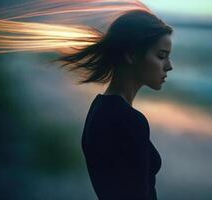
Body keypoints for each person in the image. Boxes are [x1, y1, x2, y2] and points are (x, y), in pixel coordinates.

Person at [64, 10, 173, 200]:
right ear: (131, 54)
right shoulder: (130, 121)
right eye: (161, 56)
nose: (169, 66)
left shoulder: (98, 108)